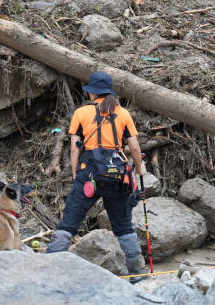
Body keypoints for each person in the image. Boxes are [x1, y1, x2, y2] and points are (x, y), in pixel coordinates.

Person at [46, 72, 147, 284]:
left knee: (68, 225)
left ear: (92, 92)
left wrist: (76, 173)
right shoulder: (123, 114)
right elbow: (135, 147)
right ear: (109, 91)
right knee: (124, 227)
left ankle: (47, 271)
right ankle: (138, 277)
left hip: (88, 176)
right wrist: (140, 170)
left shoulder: (81, 113)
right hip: (117, 177)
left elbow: (75, 147)